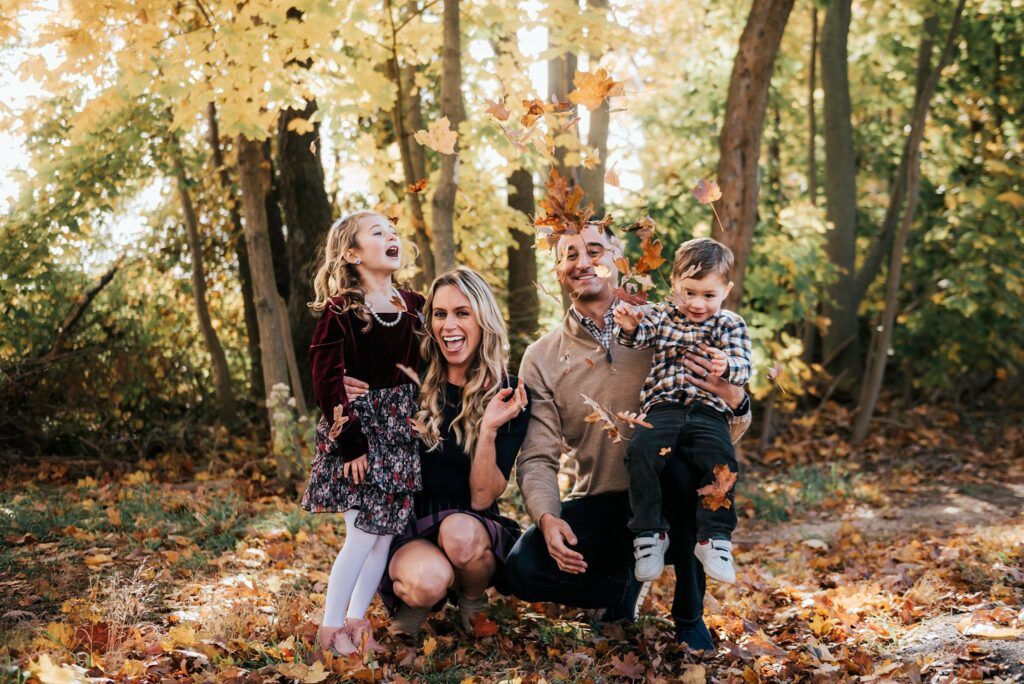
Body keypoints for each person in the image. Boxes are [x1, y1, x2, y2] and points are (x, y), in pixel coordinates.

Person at [504, 224, 751, 650]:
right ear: (558, 269)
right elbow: (538, 455)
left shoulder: (669, 319)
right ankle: (621, 587)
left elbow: (724, 422)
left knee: (681, 471)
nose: (583, 262)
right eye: (570, 255)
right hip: (601, 499)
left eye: (595, 250)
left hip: (673, 494)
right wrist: (547, 517)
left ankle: (689, 613)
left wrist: (733, 395)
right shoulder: (542, 356)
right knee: (523, 568)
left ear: (616, 259)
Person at [343, 267, 530, 636]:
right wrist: (347, 390)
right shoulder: (409, 376)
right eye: (440, 314)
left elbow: (481, 498)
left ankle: (472, 597)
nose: (449, 326)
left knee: (460, 536)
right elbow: (353, 360)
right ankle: (420, 599)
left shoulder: (508, 394)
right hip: (409, 520)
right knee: (428, 580)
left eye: (462, 313)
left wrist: (489, 429)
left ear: (483, 319)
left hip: (468, 523)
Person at [301, 211, 425, 655]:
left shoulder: (415, 305)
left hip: (399, 432)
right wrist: (350, 442)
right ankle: (329, 628)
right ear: (353, 254)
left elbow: (427, 368)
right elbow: (326, 377)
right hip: (358, 430)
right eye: (378, 233)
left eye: (394, 231)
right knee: (361, 533)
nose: (392, 236)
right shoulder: (342, 310)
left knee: (385, 533)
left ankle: (355, 623)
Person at [613, 237, 752, 585]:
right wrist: (630, 325)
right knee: (641, 451)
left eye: (709, 295)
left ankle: (715, 538)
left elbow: (744, 366)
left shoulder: (730, 324)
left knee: (721, 462)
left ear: (726, 290)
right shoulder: (662, 315)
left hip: (709, 412)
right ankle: (649, 533)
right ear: (674, 284)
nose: (697, 303)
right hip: (664, 407)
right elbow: (638, 336)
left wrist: (727, 365)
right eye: (689, 292)